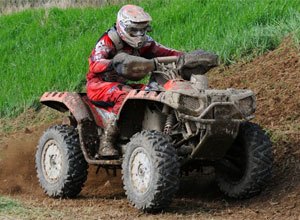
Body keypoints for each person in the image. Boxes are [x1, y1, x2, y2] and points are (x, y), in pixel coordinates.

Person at [86, 4, 183, 158]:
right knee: (125, 95)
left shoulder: (145, 42)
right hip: (98, 85)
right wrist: (113, 63)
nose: (139, 34)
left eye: (143, 29)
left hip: (123, 84)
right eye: (134, 30)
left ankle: (160, 132)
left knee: (152, 93)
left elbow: (168, 52)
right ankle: (107, 140)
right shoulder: (108, 41)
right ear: (123, 26)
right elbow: (94, 63)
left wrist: (187, 57)